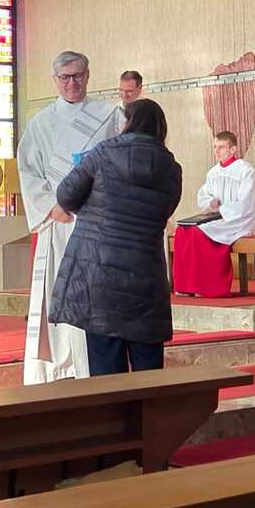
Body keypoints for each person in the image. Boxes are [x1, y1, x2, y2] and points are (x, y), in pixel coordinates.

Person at [49, 98, 182, 375]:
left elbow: (66, 195)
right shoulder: (171, 168)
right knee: (149, 375)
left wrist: (95, 209)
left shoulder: (103, 152)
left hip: (100, 275)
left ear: (129, 122)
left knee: (106, 376)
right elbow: (165, 210)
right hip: (146, 278)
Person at [17, 51, 120, 384]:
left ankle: (94, 366)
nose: (71, 83)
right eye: (64, 77)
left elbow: (121, 161)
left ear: (88, 76)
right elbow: (28, 171)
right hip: (58, 222)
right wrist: (51, 206)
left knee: (95, 295)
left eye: (77, 76)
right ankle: (59, 367)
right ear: (55, 80)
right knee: (59, 293)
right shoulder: (40, 123)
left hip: (97, 221)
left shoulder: (109, 115)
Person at [172, 130, 255, 298]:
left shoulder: (245, 170)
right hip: (217, 218)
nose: (217, 151)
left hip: (237, 219)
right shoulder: (213, 172)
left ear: (233, 149)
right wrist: (210, 203)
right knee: (182, 231)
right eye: (215, 147)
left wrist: (221, 209)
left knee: (199, 233)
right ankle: (186, 286)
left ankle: (207, 286)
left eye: (221, 147)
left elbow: (245, 202)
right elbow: (204, 195)